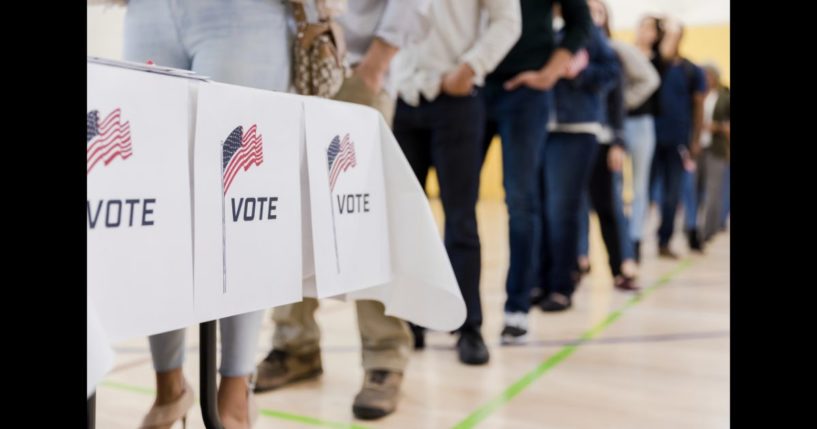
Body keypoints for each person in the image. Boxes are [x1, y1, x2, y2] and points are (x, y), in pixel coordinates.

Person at [120, 0, 294, 427]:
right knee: (154, 199)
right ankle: (169, 387)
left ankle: (235, 390)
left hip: (245, 12)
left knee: (239, 199)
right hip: (150, 10)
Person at [253, 0, 428, 420]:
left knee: (363, 223)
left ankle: (385, 355)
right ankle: (295, 346)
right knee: (293, 221)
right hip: (287, 74)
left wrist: (375, 65)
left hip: (353, 69)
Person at [391, 0, 521, 364]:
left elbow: (507, 21)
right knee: (406, 222)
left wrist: (471, 67)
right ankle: (411, 321)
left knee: (461, 219)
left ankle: (468, 326)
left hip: (457, 100)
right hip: (401, 99)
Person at [478, 0, 593, 344]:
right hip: (474, 84)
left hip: (527, 93)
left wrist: (549, 72)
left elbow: (580, 24)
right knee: (460, 202)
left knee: (522, 201)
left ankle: (517, 307)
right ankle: (460, 311)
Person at [534, 6, 620, 314]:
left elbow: (611, 72)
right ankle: (539, 281)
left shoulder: (585, 28)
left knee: (561, 209)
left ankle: (561, 285)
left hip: (576, 128)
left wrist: (579, 72)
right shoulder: (537, 21)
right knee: (539, 208)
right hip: (537, 125)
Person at [574, 0, 645, 292]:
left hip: (603, 139)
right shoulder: (565, 49)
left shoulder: (610, 57)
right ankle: (576, 261)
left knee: (610, 205)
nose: (594, 16)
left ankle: (622, 265)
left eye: (599, 11)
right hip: (573, 136)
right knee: (573, 205)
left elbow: (617, 105)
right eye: (588, 10)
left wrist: (618, 142)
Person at [650, 17, 707, 259]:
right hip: (650, 136)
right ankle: (632, 242)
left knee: (673, 194)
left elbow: (699, 106)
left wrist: (695, 138)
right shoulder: (653, 64)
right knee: (646, 192)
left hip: (677, 139)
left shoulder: (691, 70)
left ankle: (665, 239)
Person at [626, 15, 664, 263]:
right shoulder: (625, 53)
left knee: (640, 186)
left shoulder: (661, 60)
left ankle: (635, 238)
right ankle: (620, 238)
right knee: (615, 186)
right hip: (619, 123)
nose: (645, 31)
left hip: (643, 124)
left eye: (651, 28)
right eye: (642, 26)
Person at [698, 62, 730, 242]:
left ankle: (708, 231)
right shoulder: (698, 93)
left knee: (713, 191)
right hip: (698, 148)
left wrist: (715, 127)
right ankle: (693, 229)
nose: (706, 79)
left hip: (717, 148)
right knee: (694, 191)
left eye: (708, 75)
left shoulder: (725, 97)